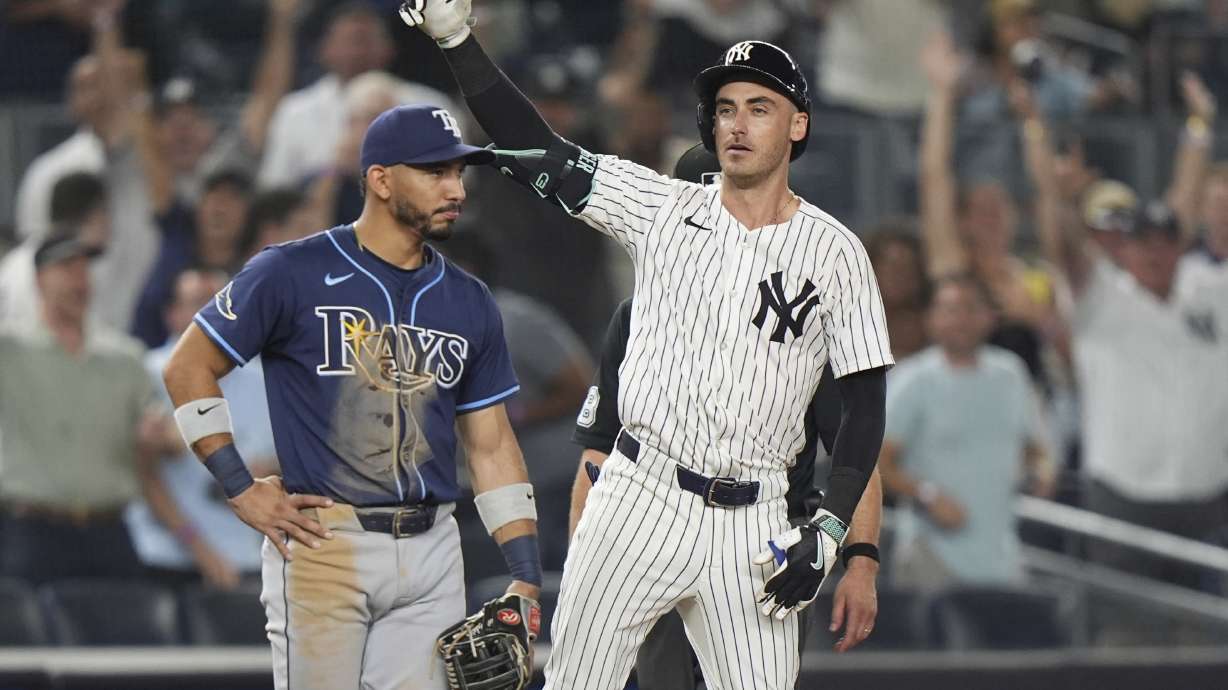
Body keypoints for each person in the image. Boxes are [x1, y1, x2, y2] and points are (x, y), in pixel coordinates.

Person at [403, 6, 893, 688]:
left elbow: (865, 411)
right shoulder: (660, 207)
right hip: (642, 491)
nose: (738, 123)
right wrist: (458, 42)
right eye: (725, 108)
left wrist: (837, 534)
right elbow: (533, 142)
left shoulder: (836, 254)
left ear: (798, 125)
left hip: (755, 520)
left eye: (760, 107)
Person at [161, 103, 543, 690]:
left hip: (435, 543)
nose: (455, 188)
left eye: (459, 173)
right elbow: (187, 367)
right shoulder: (292, 270)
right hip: (326, 540)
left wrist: (524, 572)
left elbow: (490, 444)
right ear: (380, 179)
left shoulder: (469, 300)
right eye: (435, 171)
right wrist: (239, 488)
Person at [1040, 197, 1228, 590]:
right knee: (1125, 628)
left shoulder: (1213, 292)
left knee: (1208, 635)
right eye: (1145, 243)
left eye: (1166, 242)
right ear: (1126, 248)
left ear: (1183, 246)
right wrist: (1057, 194)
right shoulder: (1101, 295)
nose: (1156, 253)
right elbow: (1065, 251)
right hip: (1125, 496)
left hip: (1208, 497)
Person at [0, 233, 183, 585]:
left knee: (128, 635)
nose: (80, 279)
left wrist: (158, 439)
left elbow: (170, 437)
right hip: (31, 529)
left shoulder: (125, 356)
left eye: (86, 268)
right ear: (38, 279)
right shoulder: (10, 350)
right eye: (67, 267)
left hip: (108, 529)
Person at [878, 276, 1055, 591]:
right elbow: (879, 463)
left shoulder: (1011, 373)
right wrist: (927, 494)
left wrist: (1042, 473)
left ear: (990, 316)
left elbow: (1037, 449)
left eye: (971, 309)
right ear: (931, 318)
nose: (961, 319)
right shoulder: (912, 380)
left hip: (1001, 554)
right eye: (949, 309)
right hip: (931, 553)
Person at [126, 268, 277, 589]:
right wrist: (201, 551)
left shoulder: (263, 379)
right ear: (171, 313)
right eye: (198, 302)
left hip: (247, 558)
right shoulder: (148, 372)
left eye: (221, 303)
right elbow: (142, 473)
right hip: (167, 558)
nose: (212, 314)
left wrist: (271, 471)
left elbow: (279, 462)